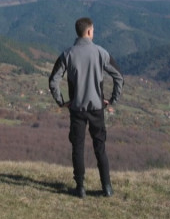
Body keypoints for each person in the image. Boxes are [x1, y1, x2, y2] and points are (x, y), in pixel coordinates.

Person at [48, 17, 124, 198]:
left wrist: (61, 101)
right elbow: (119, 77)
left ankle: (80, 187)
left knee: (78, 147)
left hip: (76, 109)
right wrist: (112, 100)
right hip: (97, 108)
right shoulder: (101, 53)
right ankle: (107, 187)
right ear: (89, 31)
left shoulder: (67, 54)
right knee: (100, 147)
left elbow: (53, 81)